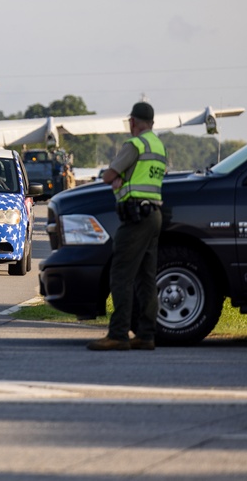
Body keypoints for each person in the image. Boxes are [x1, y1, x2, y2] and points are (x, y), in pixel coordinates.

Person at [88, 101, 167, 352]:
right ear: (152, 123)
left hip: (135, 218)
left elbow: (108, 176)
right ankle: (146, 335)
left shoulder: (134, 145)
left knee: (121, 275)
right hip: (154, 214)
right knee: (146, 279)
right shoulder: (159, 147)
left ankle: (118, 334)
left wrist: (118, 181)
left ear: (132, 122)